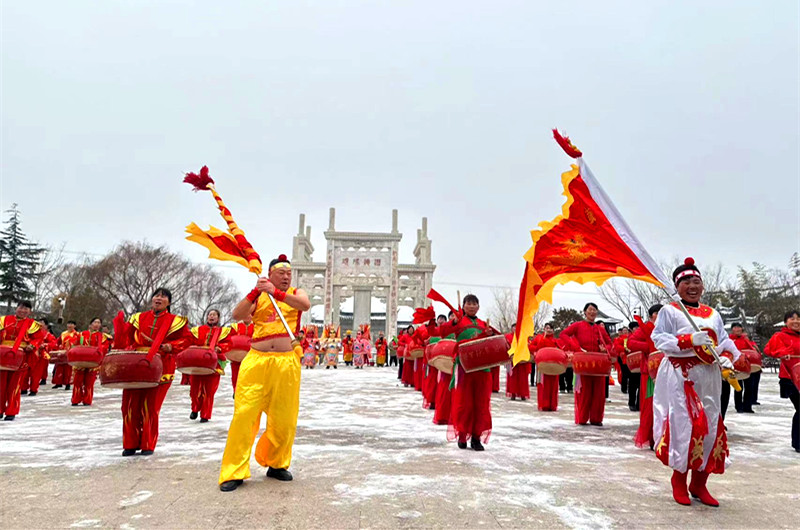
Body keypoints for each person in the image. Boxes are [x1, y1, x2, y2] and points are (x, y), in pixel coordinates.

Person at [651, 258, 742, 507]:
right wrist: (688, 340)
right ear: (677, 286)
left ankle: (699, 483)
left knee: (711, 425)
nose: (693, 286)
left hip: (710, 377)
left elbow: (724, 341)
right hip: (683, 376)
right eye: (687, 281)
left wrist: (726, 358)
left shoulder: (713, 313)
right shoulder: (670, 311)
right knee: (684, 426)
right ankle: (679, 481)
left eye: (697, 281)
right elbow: (659, 339)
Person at [219, 254, 310, 491]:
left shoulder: (296, 293)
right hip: (256, 361)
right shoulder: (258, 296)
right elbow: (237, 315)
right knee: (244, 415)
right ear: (269, 274)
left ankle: (277, 464)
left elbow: (305, 305)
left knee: (284, 418)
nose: (286, 276)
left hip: (286, 362)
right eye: (281, 273)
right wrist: (255, 292)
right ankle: (234, 471)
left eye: (289, 273)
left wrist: (277, 292)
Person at [117, 288, 193, 456]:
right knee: (128, 405)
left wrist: (171, 346)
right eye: (156, 295)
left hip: (161, 366)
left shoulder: (176, 321)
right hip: (136, 364)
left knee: (150, 406)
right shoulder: (138, 318)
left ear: (169, 302)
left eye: (163, 296)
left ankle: (147, 444)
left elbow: (188, 339)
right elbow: (125, 339)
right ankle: (130, 443)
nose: (159, 298)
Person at [438, 295, 495, 451]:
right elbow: (443, 331)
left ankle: (476, 438)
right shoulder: (459, 321)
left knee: (481, 404)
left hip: (482, 369)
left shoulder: (484, 324)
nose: (471, 306)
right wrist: (454, 321)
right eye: (468, 303)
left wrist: (489, 335)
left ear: (478, 306)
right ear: (463, 306)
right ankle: (462, 436)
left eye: (474, 303)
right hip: (464, 368)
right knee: (464, 403)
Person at [560, 303, 613, 426]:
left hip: (598, 364)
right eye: (590, 310)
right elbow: (564, 334)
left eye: (595, 310)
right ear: (584, 312)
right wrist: (576, 347)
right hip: (583, 362)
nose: (592, 312)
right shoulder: (578, 325)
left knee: (599, 393)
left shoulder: (600, 329)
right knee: (584, 392)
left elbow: (610, 343)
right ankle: (582, 418)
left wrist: (605, 349)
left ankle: (596, 419)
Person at [0, 301, 47, 420]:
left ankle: (11, 411)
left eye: (26, 308)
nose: (23, 310)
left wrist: (32, 345)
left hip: (20, 356)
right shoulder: (4, 320)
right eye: (21, 307)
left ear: (30, 311)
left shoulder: (32, 324)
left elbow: (38, 338)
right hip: (3, 355)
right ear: (17, 308)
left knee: (15, 385)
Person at [763, 310, 800, 453]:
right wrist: (783, 353)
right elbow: (768, 349)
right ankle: (798, 442)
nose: (796, 321)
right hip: (790, 377)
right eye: (792, 319)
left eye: (798, 319)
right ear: (786, 322)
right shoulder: (780, 336)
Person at [629, 304, 662, 449]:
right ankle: (651, 437)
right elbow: (630, 342)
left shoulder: (670, 327)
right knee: (650, 405)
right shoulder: (647, 328)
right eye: (658, 313)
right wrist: (648, 347)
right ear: (651, 316)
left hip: (667, 371)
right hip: (650, 373)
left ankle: (664, 437)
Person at [189, 310, 231, 422]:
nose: (211, 316)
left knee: (209, 390)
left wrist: (220, 348)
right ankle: (195, 408)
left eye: (214, 315)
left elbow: (228, 344)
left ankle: (205, 415)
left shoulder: (223, 332)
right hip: (199, 362)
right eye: (210, 315)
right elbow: (189, 341)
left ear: (218, 318)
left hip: (214, 363)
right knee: (194, 389)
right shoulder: (198, 330)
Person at [71, 317, 112, 406]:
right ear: (90, 324)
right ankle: (76, 399)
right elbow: (75, 344)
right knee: (77, 381)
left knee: (89, 383)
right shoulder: (81, 334)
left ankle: (87, 400)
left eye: (99, 323)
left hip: (93, 362)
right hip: (81, 361)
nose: (97, 324)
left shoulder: (102, 336)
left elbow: (104, 348)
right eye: (95, 322)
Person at [729, 323, 760, 414]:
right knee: (738, 387)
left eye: (739, 327)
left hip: (747, 365)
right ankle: (739, 407)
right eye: (735, 327)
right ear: (732, 329)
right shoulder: (729, 340)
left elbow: (754, 349)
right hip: (736, 366)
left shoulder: (746, 339)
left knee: (749, 386)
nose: (737, 329)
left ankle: (747, 406)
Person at [433, 311, 457, 425]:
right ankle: (443, 416)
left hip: (457, 364)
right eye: (452, 315)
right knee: (444, 390)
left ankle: (455, 417)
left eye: (455, 315)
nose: (454, 317)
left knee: (457, 391)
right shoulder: (445, 329)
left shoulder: (461, 329)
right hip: (445, 363)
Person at [530, 323, 561, 411]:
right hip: (543, 365)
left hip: (554, 366)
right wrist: (537, 350)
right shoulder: (539, 338)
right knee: (543, 384)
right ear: (544, 329)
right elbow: (531, 346)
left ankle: (552, 405)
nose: (548, 330)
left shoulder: (556, 341)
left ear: (553, 330)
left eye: (550, 328)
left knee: (553, 385)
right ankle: (544, 404)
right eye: (547, 328)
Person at [53, 320, 80, 390]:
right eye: (69, 324)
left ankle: (67, 384)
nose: (70, 325)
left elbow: (79, 343)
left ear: (74, 326)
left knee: (68, 369)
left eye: (72, 324)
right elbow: (58, 342)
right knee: (59, 368)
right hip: (62, 352)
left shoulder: (77, 334)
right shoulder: (63, 333)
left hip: (71, 353)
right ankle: (58, 383)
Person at [230, 319, 253, 397]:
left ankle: (249, 394)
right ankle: (236, 391)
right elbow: (229, 340)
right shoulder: (235, 327)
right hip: (236, 358)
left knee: (250, 377)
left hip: (251, 358)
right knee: (236, 376)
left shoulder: (256, 326)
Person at [614, 326, 631, 396]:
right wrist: (624, 349)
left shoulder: (630, 338)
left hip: (630, 357)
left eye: (626, 330)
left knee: (630, 373)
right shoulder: (618, 339)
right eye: (624, 330)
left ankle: (629, 387)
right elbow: (617, 347)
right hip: (622, 357)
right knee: (624, 373)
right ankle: (624, 388)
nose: (625, 331)